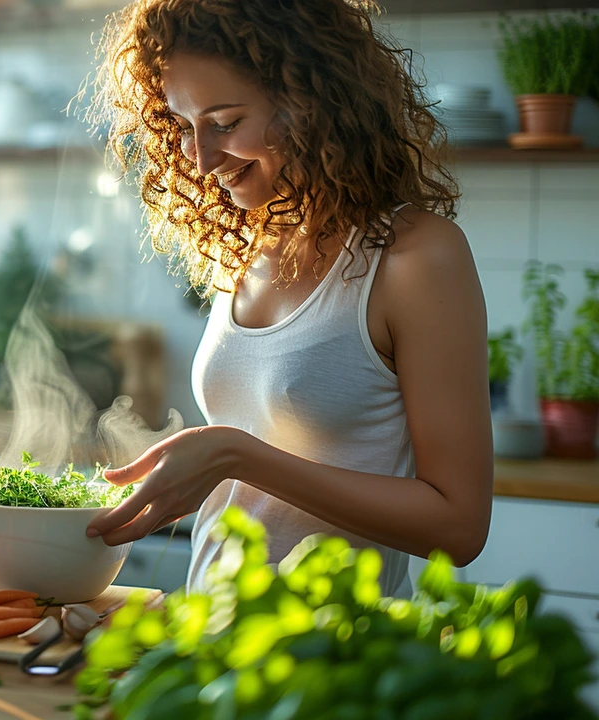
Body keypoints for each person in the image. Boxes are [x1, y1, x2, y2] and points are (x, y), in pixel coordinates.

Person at [83, 0, 493, 597]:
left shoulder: (417, 259)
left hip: (336, 659)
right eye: (183, 124)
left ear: (311, 100)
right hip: (211, 646)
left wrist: (235, 457)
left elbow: (459, 525)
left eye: (224, 122)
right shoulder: (251, 244)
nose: (198, 159)